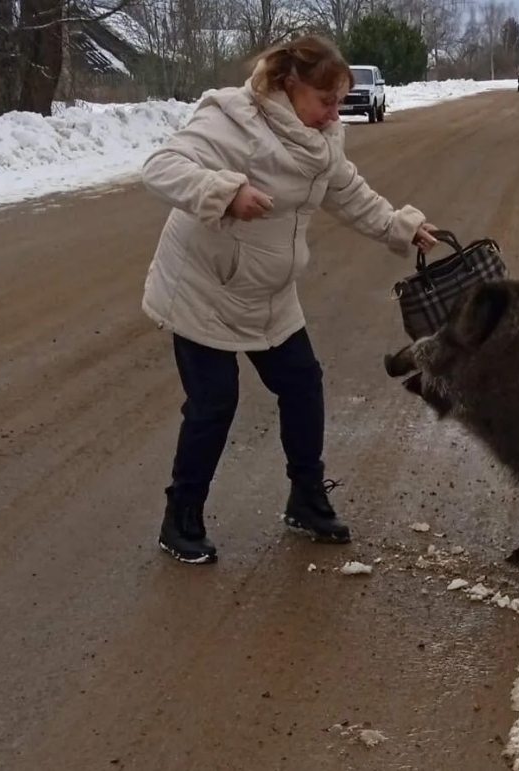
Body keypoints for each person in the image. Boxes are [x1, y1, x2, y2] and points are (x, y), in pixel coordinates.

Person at [138, 34, 438, 564]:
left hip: (269, 292)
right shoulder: (233, 119)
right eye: (326, 102)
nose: (332, 114)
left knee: (302, 384)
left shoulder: (319, 140)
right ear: (289, 84)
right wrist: (225, 192)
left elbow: (346, 190)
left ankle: (306, 498)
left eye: (339, 103)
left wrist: (399, 226)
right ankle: (180, 516)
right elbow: (162, 168)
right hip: (206, 288)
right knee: (214, 404)